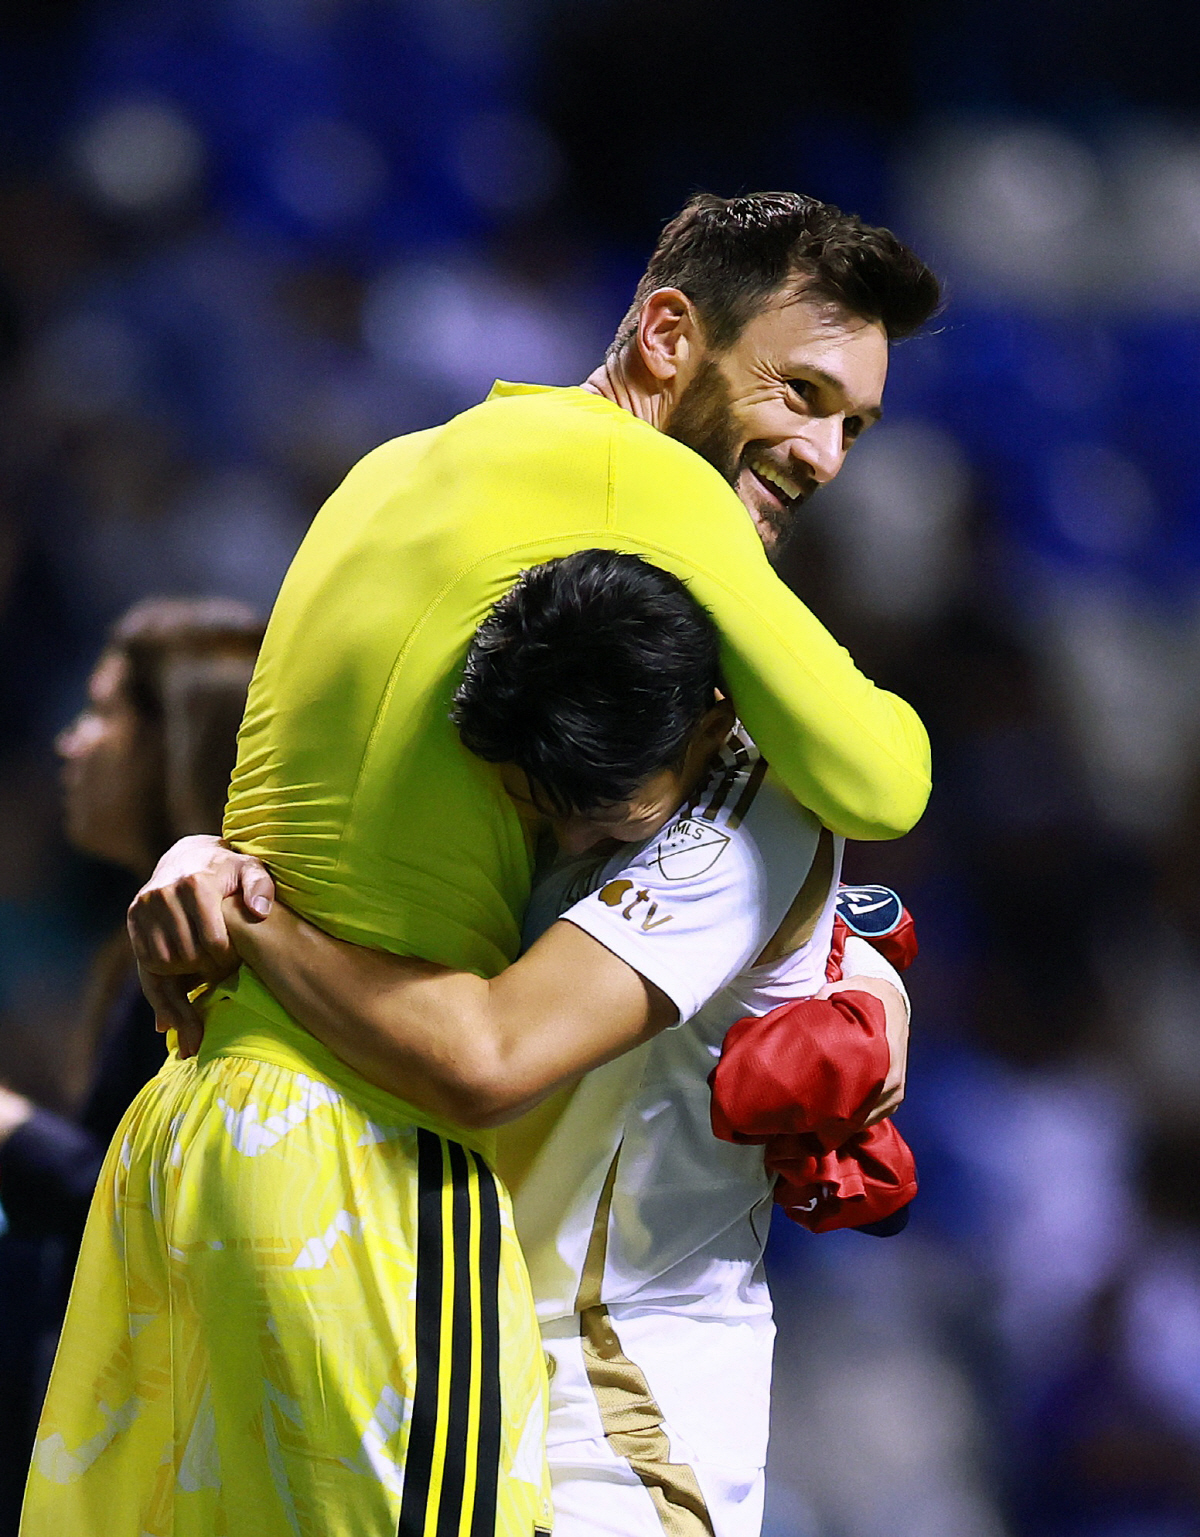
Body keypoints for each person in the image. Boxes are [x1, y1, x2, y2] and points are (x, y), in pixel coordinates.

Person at [27, 193, 938, 1537]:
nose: (825, 454)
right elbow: (888, 772)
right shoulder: (649, 494)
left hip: (186, 1143)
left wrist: (218, 870)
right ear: (666, 336)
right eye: (801, 393)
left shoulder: (394, 471)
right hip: (381, 1190)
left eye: (854, 424)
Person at [126, 552, 915, 1537]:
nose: (575, 842)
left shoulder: (747, 816)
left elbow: (485, 1061)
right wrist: (207, 856)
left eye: (605, 813)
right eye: (543, 809)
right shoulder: (550, 737)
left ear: (711, 723)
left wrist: (255, 925)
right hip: (452, 1336)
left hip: (623, 1392)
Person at [0, 598, 262, 1531]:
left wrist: (11, 1127)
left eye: (105, 713)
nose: (72, 743)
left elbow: (146, 1211)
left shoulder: (223, 949)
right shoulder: (145, 937)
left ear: (181, 743)